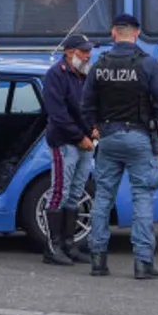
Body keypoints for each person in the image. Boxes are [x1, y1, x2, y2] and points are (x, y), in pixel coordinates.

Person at [81, 13, 158, 280]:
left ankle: (98, 261)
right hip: (138, 136)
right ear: (136, 34)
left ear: (113, 33)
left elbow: (86, 104)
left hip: (109, 138)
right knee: (142, 198)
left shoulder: (100, 65)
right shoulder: (147, 64)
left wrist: (94, 129)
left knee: (102, 199)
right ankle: (143, 263)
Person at [40, 34, 96, 266]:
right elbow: (58, 114)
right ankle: (53, 248)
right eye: (83, 51)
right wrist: (80, 136)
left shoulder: (83, 75)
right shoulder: (56, 75)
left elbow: (90, 105)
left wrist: (94, 128)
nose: (88, 55)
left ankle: (69, 245)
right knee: (59, 193)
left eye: (88, 51)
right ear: (69, 52)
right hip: (65, 142)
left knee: (75, 192)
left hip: (84, 142)